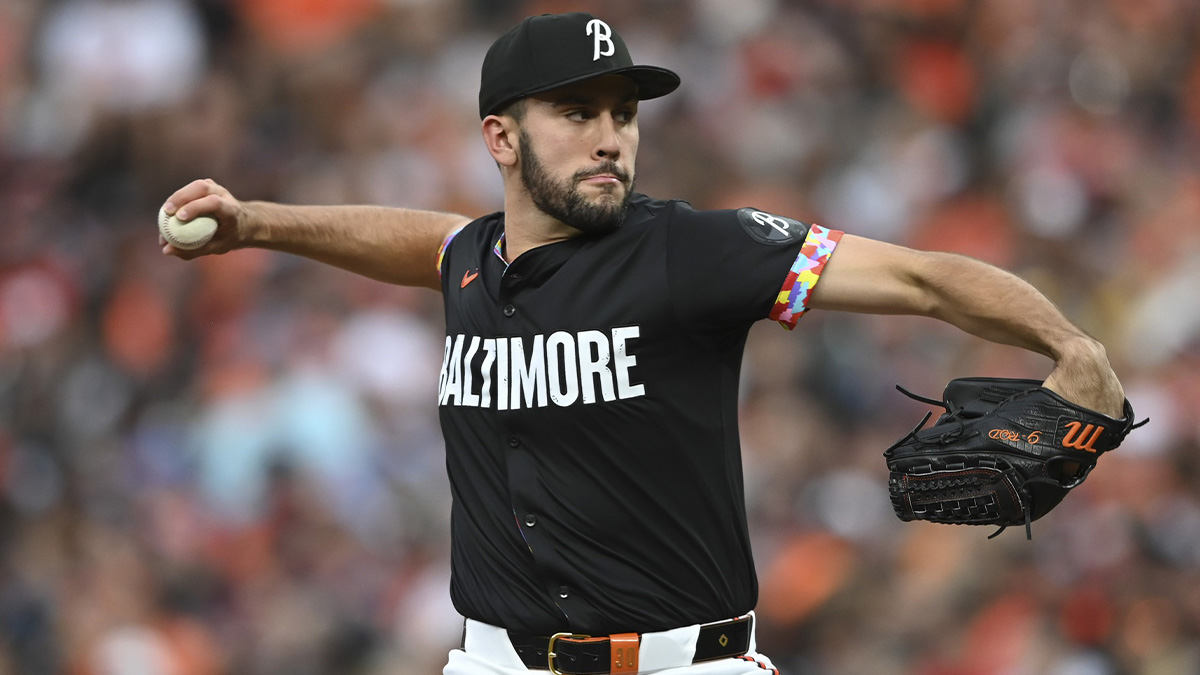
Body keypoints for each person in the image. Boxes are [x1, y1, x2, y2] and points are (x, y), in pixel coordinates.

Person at [159, 12, 1126, 675]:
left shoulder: (689, 253)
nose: (611, 137)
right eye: (577, 113)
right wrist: (262, 224)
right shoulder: (472, 262)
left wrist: (1068, 341)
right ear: (502, 138)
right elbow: (425, 239)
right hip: (495, 658)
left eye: (623, 113)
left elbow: (919, 277)